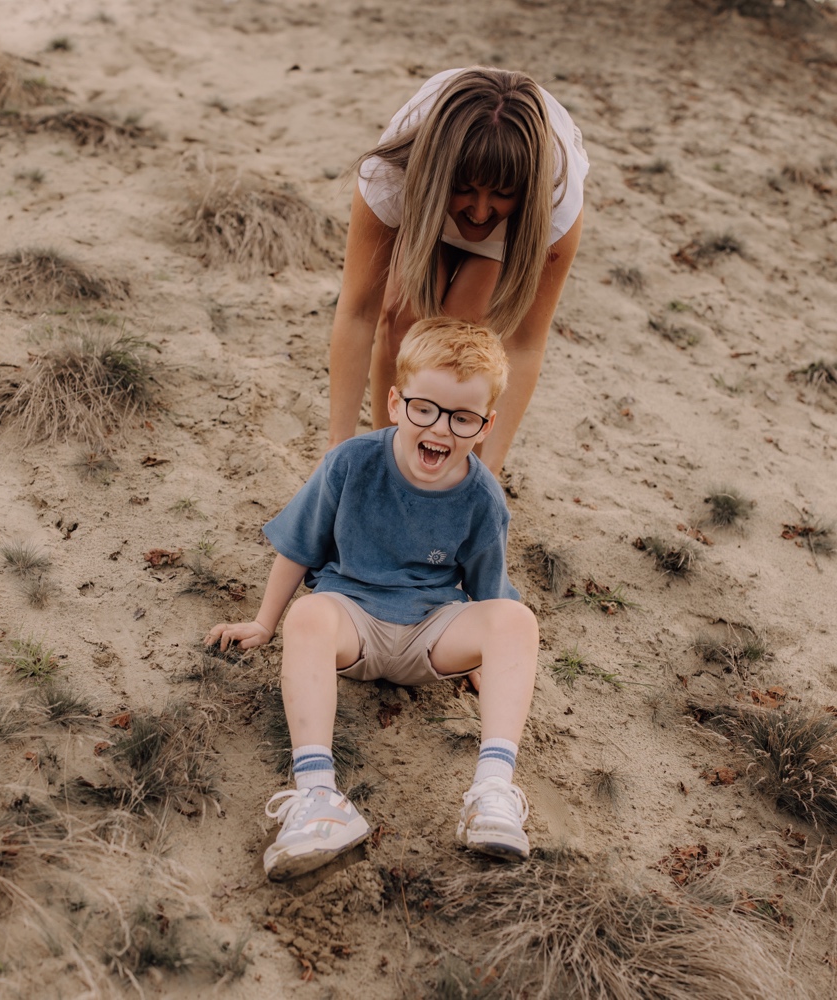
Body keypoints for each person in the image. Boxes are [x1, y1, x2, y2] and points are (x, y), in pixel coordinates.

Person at [205, 317, 540, 881]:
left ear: (485, 425)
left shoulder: (483, 496)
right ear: (394, 401)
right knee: (308, 614)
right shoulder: (352, 463)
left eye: (462, 417)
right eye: (424, 408)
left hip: (432, 633)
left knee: (517, 620)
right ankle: (318, 798)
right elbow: (298, 547)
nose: (440, 427)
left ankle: (492, 792)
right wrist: (265, 622)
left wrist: (488, 660)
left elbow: (488, 589)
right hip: (352, 624)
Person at [326, 66, 589, 476]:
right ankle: (388, 461)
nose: (481, 211)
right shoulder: (390, 175)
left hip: (512, 232)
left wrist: (489, 483)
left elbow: (524, 345)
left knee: (464, 333)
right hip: (428, 209)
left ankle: (459, 473)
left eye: (500, 194)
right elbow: (357, 312)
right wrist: (335, 452)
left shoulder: (556, 202)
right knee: (400, 323)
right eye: (466, 188)